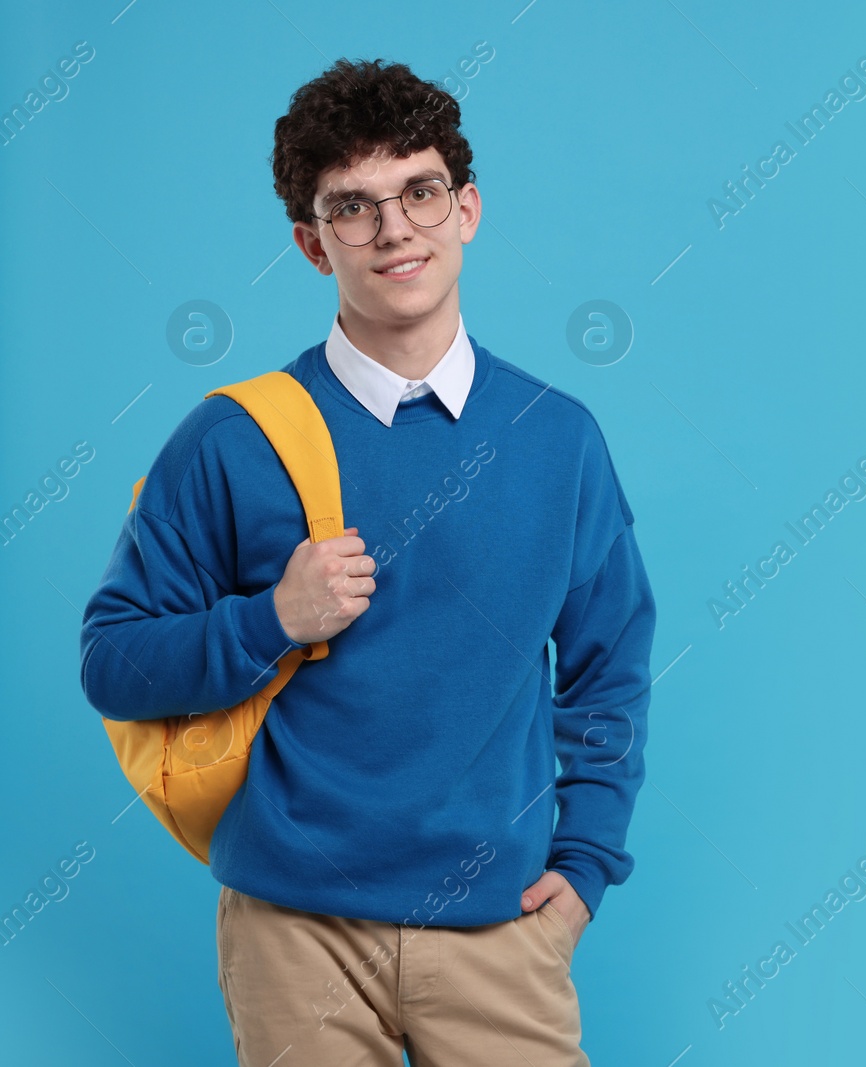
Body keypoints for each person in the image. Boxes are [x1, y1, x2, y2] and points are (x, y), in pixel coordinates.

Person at [78, 57, 655, 1066]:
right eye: (353, 207)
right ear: (311, 243)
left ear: (465, 209)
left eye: (419, 192)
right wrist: (270, 620)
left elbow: (611, 664)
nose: (395, 230)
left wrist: (586, 866)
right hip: (293, 931)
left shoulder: (557, 437)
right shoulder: (233, 440)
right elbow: (113, 662)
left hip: (500, 928)